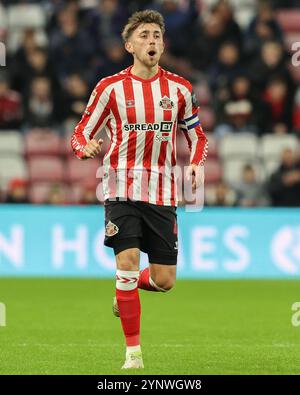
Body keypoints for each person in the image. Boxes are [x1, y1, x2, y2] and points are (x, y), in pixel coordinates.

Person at [71, 10, 208, 369]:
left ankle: (124, 289)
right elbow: (80, 131)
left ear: (164, 44)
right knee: (128, 263)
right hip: (120, 186)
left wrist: (195, 163)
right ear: (129, 45)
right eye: (144, 35)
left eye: (157, 36)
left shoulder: (180, 89)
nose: (152, 41)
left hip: (162, 191)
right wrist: (83, 148)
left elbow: (198, 136)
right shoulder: (109, 88)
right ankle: (133, 355)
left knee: (164, 281)